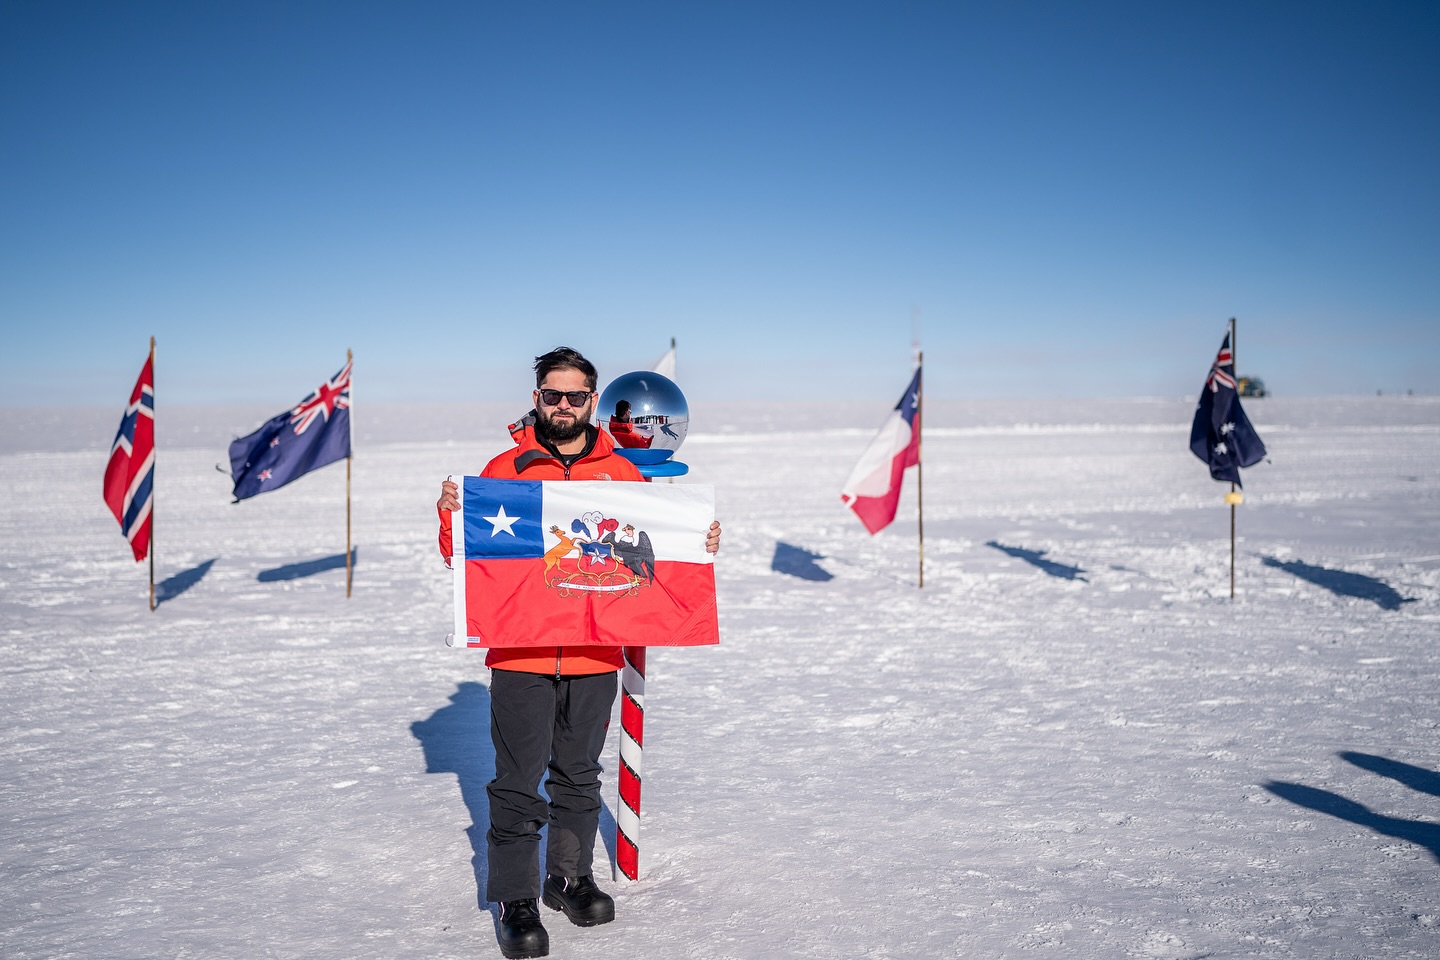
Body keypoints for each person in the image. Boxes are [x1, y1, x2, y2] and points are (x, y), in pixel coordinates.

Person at [436, 346, 721, 959]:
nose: (562, 406)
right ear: (536, 398)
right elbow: (465, 557)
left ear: (593, 401)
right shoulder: (505, 469)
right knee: (517, 781)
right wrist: (451, 518)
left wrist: (697, 539)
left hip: (595, 654)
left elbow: (653, 546)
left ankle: (569, 877)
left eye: (574, 396)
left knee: (579, 772)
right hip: (520, 654)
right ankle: (516, 898)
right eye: (551, 395)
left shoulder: (621, 474)